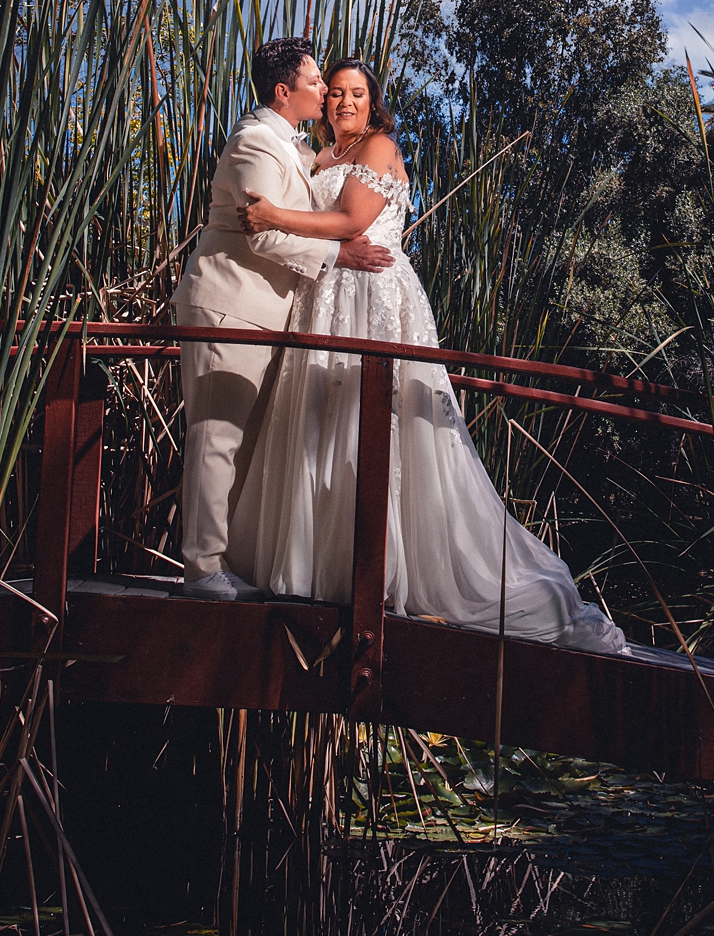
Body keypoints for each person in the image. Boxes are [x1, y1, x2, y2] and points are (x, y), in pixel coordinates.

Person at [227, 58, 630, 654]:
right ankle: (325, 565)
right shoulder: (319, 159)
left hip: (373, 292)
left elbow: (350, 219)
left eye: (356, 94)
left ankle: (384, 572)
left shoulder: (378, 147)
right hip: (326, 294)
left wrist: (270, 216)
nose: (343, 103)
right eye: (334, 92)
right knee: (323, 422)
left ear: (373, 102)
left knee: (378, 425)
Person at [170, 38, 394, 600]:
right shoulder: (256, 143)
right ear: (283, 90)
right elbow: (264, 231)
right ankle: (200, 569)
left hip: (271, 311)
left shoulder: (298, 147)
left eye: (343, 89)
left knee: (246, 440)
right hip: (229, 303)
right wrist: (339, 256)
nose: (326, 92)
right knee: (217, 435)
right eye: (319, 83)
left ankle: (228, 561)